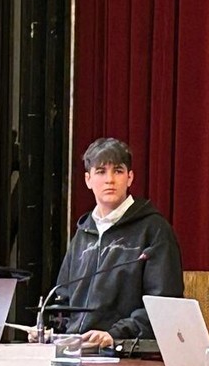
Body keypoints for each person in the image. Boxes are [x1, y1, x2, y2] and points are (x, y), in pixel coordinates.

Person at [50, 137, 184, 348]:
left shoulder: (153, 229)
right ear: (88, 180)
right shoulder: (83, 234)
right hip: (76, 351)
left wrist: (114, 335)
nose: (110, 180)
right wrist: (50, 330)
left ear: (130, 178)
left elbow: (164, 305)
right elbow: (63, 298)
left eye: (118, 171)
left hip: (124, 352)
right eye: (101, 171)